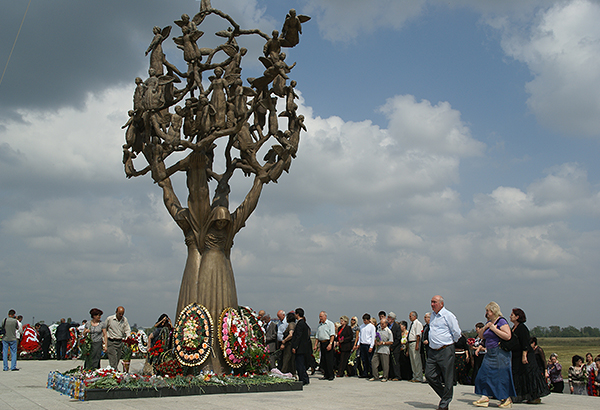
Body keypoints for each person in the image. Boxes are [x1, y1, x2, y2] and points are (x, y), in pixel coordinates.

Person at [472, 301, 515, 409]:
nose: (486, 313)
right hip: (489, 352)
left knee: (500, 376)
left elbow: (507, 336)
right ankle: (485, 396)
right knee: (483, 374)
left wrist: (494, 329)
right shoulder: (489, 322)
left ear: (493, 311)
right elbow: (481, 336)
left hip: (499, 352)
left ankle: (506, 398)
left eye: (488, 311)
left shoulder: (501, 321)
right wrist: (486, 327)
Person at [426, 295, 462, 410]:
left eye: (434, 302)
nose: (432, 304)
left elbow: (457, 332)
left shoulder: (448, 316)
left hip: (445, 349)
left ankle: (444, 404)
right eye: (431, 302)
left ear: (441, 304)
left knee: (448, 377)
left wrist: (450, 343)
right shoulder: (432, 316)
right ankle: (445, 396)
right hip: (433, 351)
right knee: (429, 375)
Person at [508, 308, 549, 403]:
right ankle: (521, 395)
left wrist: (524, 355)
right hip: (516, 356)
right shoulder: (514, 328)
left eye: (512, 315)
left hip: (525, 356)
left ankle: (534, 396)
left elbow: (525, 342)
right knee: (519, 376)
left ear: (517, 317)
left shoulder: (522, 328)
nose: (510, 316)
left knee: (529, 375)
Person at [102, 306, 131, 370]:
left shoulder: (124, 320)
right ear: (116, 312)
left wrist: (128, 336)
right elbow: (104, 329)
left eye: (122, 314)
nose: (121, 315)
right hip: (111, 341)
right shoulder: (110, 319)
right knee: (113, 359)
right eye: (119, 313)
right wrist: (104, 340)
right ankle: (114, 372)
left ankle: (113, 371)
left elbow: (127, 329)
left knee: (117, 358)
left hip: (119, 341)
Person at [291, 308, 311, 385]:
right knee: (301, 364)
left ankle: (302, 379)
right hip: (304, 347)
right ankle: (305, 378)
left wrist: (295, 346)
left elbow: (298, 336)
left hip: (300, 348)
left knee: (299, 365)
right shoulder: (304, 324)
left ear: (298, 314)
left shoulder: (300, 324)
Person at [314, 311, 335, 380]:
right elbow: (317, 336)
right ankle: (326, 374)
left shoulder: (330, 324)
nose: (320, 318)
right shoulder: (320, 325)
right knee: (324, 360)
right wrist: (315, 345)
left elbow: (332, 335)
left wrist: (330, 344)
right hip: (322, 343)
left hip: (328, 342)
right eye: (319, 317)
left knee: (329, 360)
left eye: (321, 316)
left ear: (325, 316)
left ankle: (331, 375)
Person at [370, 317, 393, 381]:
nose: (381, 325)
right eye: (380, 324)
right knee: (373, 362)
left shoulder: (389, 331)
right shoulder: (378, 329)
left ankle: (385, 377)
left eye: (382, 324)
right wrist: (376, 342)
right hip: (377, 349)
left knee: (385, 364)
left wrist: (383, 343)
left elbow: (391, 341)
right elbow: (376, 337)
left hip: (384, 350)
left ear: (386, 324)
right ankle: (375, 376)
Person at [355, 313, 376, 379]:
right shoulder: (361, 326)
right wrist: (358, 344)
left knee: (369, 360)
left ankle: (372, 373)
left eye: (366, 320)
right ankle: (365, 372)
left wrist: (371, 346)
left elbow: (373, 337)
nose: (364, 321)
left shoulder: (372, 327)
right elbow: (360, 336)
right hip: (362, 344)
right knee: (364, 360)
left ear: (369, 320)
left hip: (368, 344)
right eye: (364, 320)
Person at [408, 311, 424, 382]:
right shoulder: (412, 324)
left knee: (416, 360)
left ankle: (419, 376)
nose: (409, 317)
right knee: (413, 360)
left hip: (415, 342)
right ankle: (414, 375)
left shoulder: (418, 323)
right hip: (410, 342)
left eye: (410, 316)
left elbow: (418, 335)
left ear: (414, 316)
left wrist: (417, 345)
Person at [387, 312, 402, 381]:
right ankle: (391, 375)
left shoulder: (397, 326)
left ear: (392, 319)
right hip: (388, 346)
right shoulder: (387, 326)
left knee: (395, 362)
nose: (388, 319)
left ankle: (397, 375)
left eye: (389, 318)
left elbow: (398, 338)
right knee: (390, 362)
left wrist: (392, 346)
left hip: (395, 347)